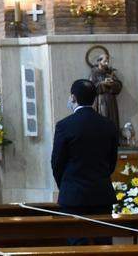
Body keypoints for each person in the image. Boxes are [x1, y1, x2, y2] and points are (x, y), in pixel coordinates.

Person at [51, 79, 119, 245]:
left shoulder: (64, 126)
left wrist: (67, 184)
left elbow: (57, 162)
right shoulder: (109, 125)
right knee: (103, 244)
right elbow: (112, 162)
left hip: (73, 196)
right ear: (95, 98)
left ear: (73, 98)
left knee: (77, 244)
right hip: (102, 194)